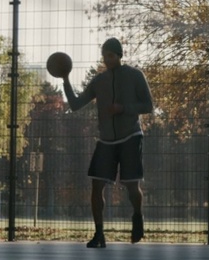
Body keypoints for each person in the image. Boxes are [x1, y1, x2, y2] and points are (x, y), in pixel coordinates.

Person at [60, 37, 154, 248]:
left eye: (110, 55)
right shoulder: (99, 81)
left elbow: (148, 105)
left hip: (130, 135)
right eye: (104, 56)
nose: (107, 60)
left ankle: (137, 216)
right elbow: (75, 104)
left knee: (131, 186)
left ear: (119, 55)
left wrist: (123, 108)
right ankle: (99, 234)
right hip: (106, 140)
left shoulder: (135, 75)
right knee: (96, 185)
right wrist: (65, 79)